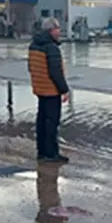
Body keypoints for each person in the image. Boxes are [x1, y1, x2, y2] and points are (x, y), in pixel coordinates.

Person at [28, 17, 70, 163]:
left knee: (41, 121)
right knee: (52, 123)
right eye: (57, 28)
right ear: (51, 30)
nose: (59, 31)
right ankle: (51, 154)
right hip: (51, 90)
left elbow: (30, 67)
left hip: (40, 88)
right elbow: (55, 72)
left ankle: (41, 152)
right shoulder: (51, 47)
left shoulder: (33, 45)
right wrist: (64, 90)